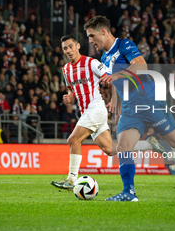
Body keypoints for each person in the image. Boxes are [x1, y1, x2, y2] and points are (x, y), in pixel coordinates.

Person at [84, 16, 175, 201]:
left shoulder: (124, 45)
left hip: (150, 102)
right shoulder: (105, 56)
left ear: (103, 31)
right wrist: (115, 100)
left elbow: (141, 65)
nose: (90, 41)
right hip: (131, 108)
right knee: (123, 147)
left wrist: (114, 77)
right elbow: (114, 78)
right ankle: (128, 192)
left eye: (91, 35)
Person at [51, 35, 165, 190]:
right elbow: (72, 88)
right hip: (86, 112)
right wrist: (70, 96)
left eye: (71, 46)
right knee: (110, 149)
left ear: (78, 46)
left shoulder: (91, 63)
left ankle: (71, 180)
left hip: (96, 108)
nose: (68, 50)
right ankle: (149, 144)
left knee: (73, 140)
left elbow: (110, 78)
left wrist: (113, 99)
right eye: (65, 48)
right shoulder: (65, 70)